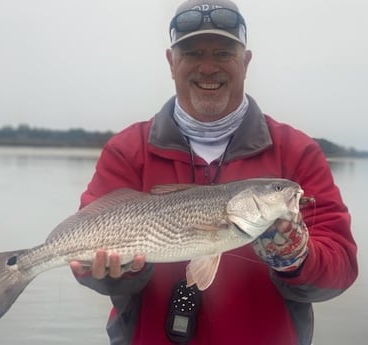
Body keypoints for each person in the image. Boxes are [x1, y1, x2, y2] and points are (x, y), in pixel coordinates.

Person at [70, 0, 358, 344]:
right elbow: (86, 250)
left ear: (246, 62)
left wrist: (296, 259)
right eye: (192, 53)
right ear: (171, 62)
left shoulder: (297, 153)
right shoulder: (127, 151)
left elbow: (339, 269)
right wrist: (111, 276)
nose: (208, 68)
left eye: (223, 54)